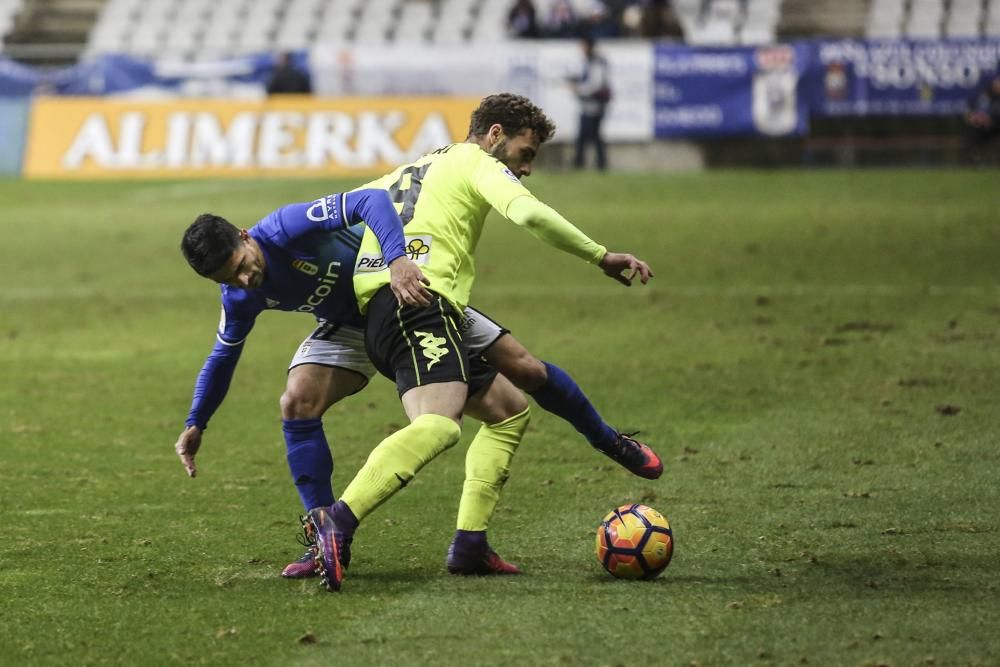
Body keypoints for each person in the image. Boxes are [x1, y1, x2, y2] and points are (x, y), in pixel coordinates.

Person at [175, 188, 662, 582]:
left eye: (242, 263)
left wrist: (397, 260)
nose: (244, 279)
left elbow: (369, 201)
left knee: (521, 382)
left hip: (402, 295)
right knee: (297, 402)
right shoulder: (239, 297)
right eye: (229, 279)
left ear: (244, 235)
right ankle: (324, 538)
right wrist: (197, 421)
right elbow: (223, 355)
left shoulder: (285, 227)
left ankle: (607, 439)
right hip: (349, 327)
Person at [303, 93, 656, 591]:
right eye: (525, 154)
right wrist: (600, 256)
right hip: (416, 306)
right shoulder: (474, 161)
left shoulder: (413, 167)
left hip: (419, 306)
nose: (526, 169)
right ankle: (338, 519)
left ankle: (470, 543)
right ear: (494, 135)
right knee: (440, 425)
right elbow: (529, 215)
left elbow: (335, 224)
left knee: (510, 406)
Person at [568, 36, 612, 170]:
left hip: (595, 105)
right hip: (588, 105)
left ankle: (595, 163)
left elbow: (596, 85)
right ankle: (587, 163)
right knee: (587, 136)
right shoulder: (589, 61)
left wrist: (579, 90)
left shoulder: (597, 62)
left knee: (592, 136)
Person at [963, 74, 1000, 163]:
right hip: (984, 127)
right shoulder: (984, 95)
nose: (998, 85)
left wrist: (992, 120)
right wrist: (974, 118)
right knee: (972, 131)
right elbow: (968, 113)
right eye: (997, 82)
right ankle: (973, 159)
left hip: (997, 125)